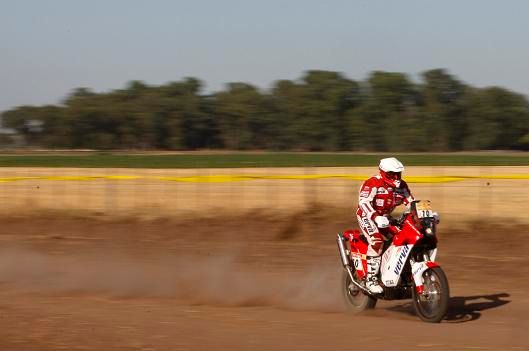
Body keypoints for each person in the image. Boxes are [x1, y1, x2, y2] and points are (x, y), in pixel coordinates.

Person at [356, 157, 414, 293]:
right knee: (377, 241)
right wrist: (375, 217)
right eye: (392, 174)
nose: (396, 177)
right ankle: (371, 280)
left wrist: (426, 213)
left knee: (403, 238)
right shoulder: (372, 183)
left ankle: (397, 272)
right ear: (383, 172)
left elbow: (411, 203)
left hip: (386, 218)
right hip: (367, 216)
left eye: (398, 174)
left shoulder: (402, 186)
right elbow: (363, 203)